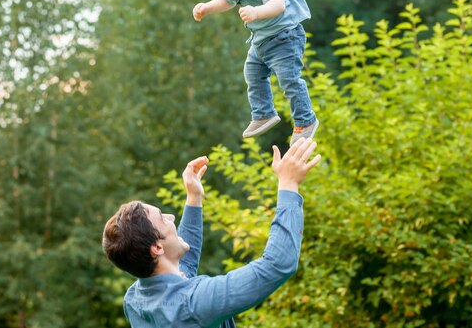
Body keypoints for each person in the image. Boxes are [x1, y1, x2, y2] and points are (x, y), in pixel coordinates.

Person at [102, 138, 321, 328]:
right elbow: (277, 264)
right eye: (162, 217)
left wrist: (194, 198)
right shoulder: (194, 303)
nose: (171, 217)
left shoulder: (135, 299)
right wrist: (288, 184)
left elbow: (179, 268)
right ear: (157, 247)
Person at [192, 0, 319, 146]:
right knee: (252, 73)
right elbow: (226, 1)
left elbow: (279, 3)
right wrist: (207, 8)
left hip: (284, 37)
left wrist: (256, 12)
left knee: (288, 80)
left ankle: (305, 121)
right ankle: (263, 114)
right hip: (261, 40)